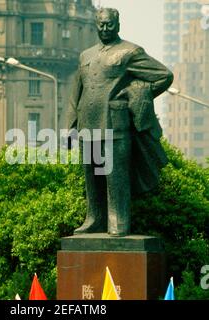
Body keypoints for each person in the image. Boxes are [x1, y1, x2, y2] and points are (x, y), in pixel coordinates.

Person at [66, 8, 174, 236]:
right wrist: (70, 125)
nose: (105, 29)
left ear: (117, 24)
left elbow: (164, 76)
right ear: (96, 25)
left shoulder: (130, 52)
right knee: (92, 175)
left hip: (115, 123)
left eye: (109, 24)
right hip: (88, 123)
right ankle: (94, 218)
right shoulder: (86, 55)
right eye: (101, 25)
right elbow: (76, 92)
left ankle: (118, 221)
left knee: (116, 175)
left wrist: (135, 93)